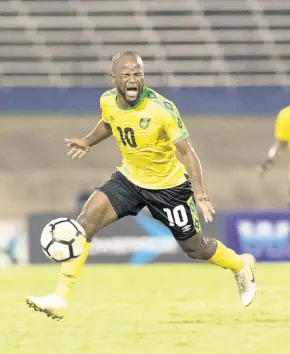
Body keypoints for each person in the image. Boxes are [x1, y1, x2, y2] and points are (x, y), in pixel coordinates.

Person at [26, 51, 256, 320]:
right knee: (86, 220)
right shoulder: (107, 101)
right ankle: (60, 298)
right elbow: (109, 123)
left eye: (138, 74)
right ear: (114, 78)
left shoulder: (162, 109)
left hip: (169, 188)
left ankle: (241, 264)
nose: (133, 79)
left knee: (196, 249)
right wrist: (88, 141)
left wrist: (201, 193)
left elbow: (188, 153)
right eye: (126, 75)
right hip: (130, 179)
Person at [258, 106, 290, 208]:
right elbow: (281, 145)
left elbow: (280, 145)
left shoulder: (286, 115)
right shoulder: (286, 116)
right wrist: (268, 163)